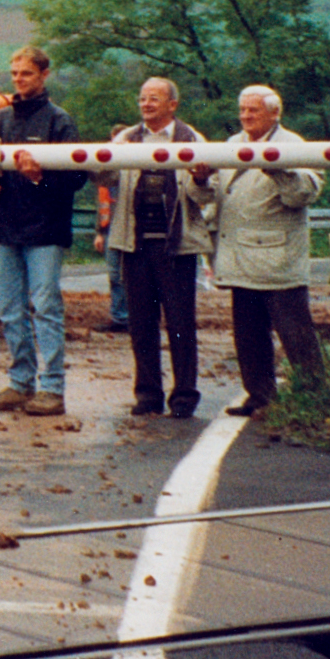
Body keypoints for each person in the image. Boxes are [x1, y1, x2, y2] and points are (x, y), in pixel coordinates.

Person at [203, 84, 325, 417]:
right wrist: (201, 181)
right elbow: (214, 194)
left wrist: (277, 168)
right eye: (242, 110)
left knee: (295, 332)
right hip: (238, 256)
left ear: (274, 113)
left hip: (277, 258)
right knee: (248, 333)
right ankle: (259, 396)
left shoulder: (292, 145)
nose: (245, 116)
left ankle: (317, 398)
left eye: (252, 110)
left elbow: (304, 193)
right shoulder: (231, 145)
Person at [0, 47, 84, 417]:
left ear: (43, 76)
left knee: (46, 307)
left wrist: (42, 178)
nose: (19, 79)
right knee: (9, 308)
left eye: (26, 73)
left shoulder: (60, 122)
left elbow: (76, 177)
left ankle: (52, 387)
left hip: (46, 228)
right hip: (8, 226)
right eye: (15, 73)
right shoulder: (0, 120)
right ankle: (20, 382)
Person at [97, 79, 214, 418]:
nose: (146, 104)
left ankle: (184, 396)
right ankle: (147, 394)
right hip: (134, 244)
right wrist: (103, 161)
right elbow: (102, 177)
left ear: (172, 104)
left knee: (180, 323)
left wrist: (202, 178)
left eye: (154, 99)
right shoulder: (127, 138)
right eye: (142, 98)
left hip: (176, 246)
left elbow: (207, 196)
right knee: (141, 324)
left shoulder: (192, 139)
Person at [96, 125, 132, 333]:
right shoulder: (107, 172)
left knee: (131, 276)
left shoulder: (131, 167)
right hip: (110, 229)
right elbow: (102, 205)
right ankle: (120, 317)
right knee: (115, 275)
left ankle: (135, 317)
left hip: (131, 227)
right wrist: (100, 232)